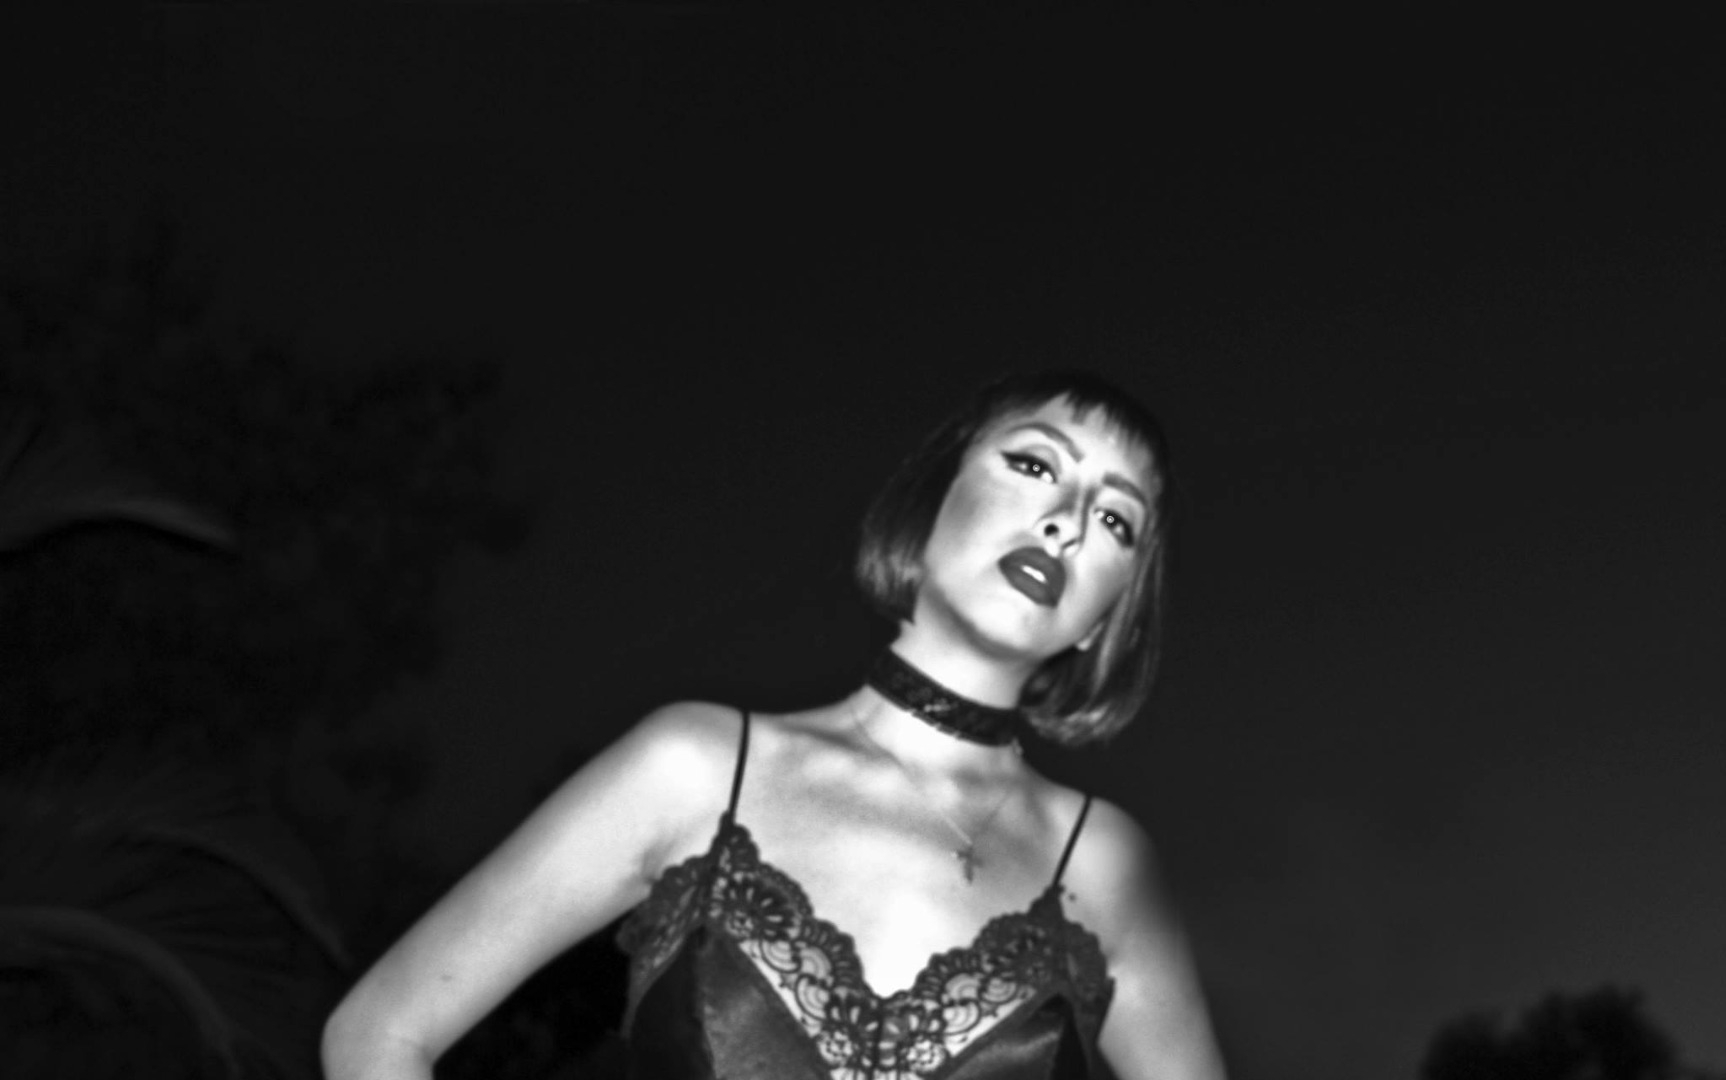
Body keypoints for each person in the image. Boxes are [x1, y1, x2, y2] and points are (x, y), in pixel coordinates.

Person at [323, 370, 1226, 1079]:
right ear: (931, 500)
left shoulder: (1102, 865)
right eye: (1034, 466)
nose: (1067, 523)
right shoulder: (695, 768)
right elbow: (378, 1035)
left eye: (1116, 519)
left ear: (1106, 617)